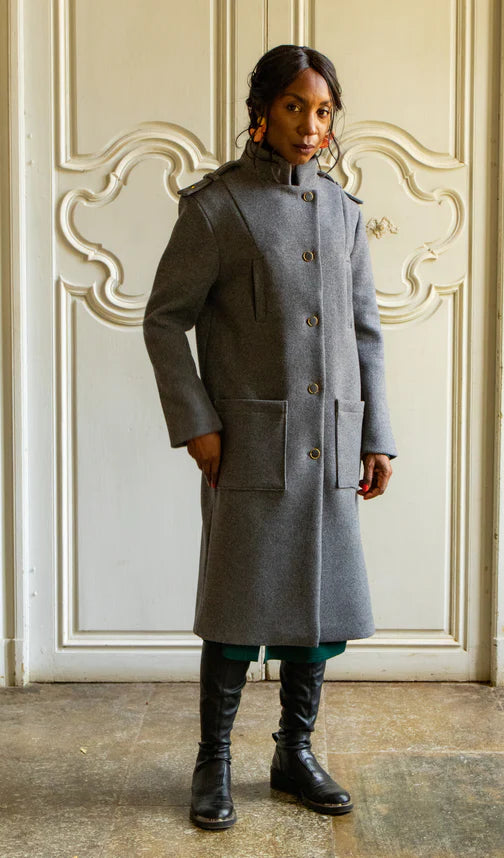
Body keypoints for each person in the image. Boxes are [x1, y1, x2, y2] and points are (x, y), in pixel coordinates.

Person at [143, 44, 398, 831]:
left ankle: (295, 753)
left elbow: (365, 332)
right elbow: (164, 320)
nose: (310, 125)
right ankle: (213, 761)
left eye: (322, 111)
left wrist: (377, 435)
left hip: (332, 445)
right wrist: (197, 424)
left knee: (317, 613)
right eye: (294, 106)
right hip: (250, 447)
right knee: (234, 612)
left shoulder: (345, 213)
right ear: (261, 110)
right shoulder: (217, 207)